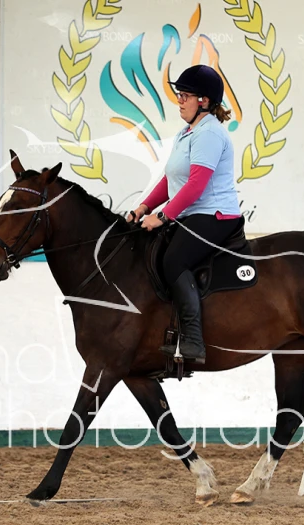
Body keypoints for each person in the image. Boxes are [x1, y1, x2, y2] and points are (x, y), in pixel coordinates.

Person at [126, 64, 242, 364]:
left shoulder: (209, 133)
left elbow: (195, 186)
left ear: (204, 101)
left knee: (174, 260)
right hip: (192, 213)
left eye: (185, 96)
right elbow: (171, 180)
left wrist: (163, 217)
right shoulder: (186, 133)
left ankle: (193, 340)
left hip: (215, 215)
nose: (179, 100)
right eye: (179, 95)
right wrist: (143, 208)